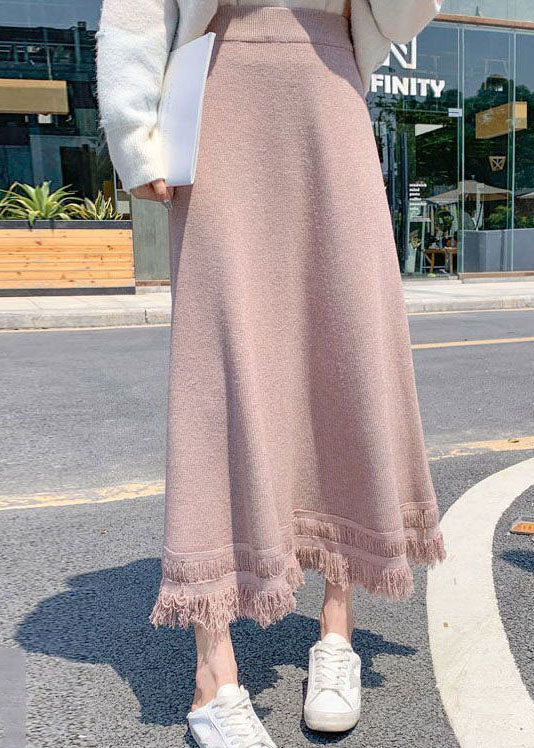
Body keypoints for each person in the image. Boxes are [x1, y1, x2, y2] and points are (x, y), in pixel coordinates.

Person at [95, 1, 446, 745]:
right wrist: (134, 133)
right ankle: (213, 673)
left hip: (331, 97)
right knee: (220, 363)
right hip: (222, 97)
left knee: (346, 352)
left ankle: (337, 630)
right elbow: (136, 11)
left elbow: (407, 14)